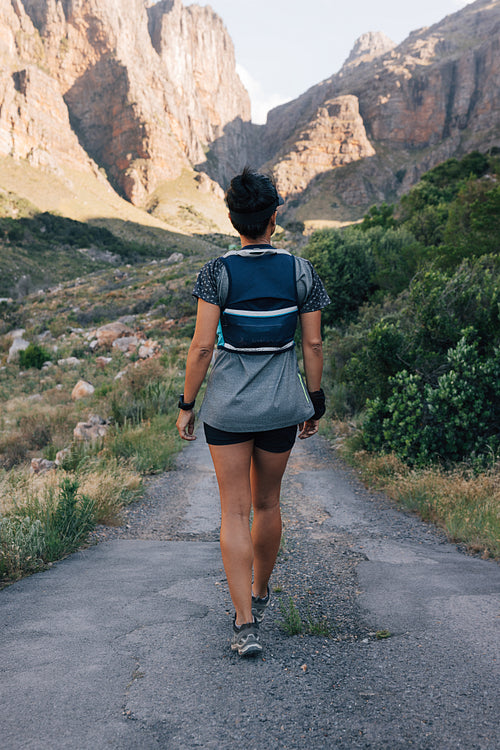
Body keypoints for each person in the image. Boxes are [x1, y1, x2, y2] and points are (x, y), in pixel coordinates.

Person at [176, 167, 330, 656]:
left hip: (227, 411)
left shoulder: (216, 273)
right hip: (282, 408)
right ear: (274, 217)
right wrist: (315, 399)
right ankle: (261, 593)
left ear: (231, 218)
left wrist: (186, 405)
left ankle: (244, 625)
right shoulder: (300, 271)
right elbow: (314, 342)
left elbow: (202, 348)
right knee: (268, 504)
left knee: (234, 511)